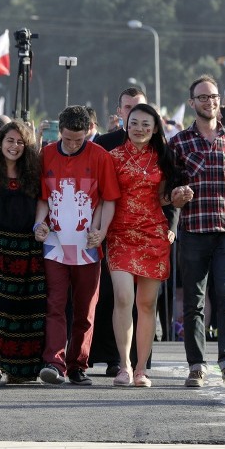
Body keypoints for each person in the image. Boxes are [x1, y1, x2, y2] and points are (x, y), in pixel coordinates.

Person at [170, 74, 225, 387]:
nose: (210, 101)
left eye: (214, 96)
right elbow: (170, 192)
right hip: (193, 229)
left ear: (220, 101)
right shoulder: (178, 143)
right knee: (194, 300)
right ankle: (196, 364)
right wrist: (179, 196)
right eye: (203, 97)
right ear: (192, 103)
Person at [34, 105, 120, 385]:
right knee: (55, 304)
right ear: (59, 132)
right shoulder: (46, 154)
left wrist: (101, 230)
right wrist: (39, 224)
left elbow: (109, 198)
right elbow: (43, 198)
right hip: (55, 244)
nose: (72, 145)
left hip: (87, 246)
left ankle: (77, 365)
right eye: (68, 139)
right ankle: (54, 362)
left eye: (79, 140)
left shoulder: (100, 156)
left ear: (88, 133)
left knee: (85, 309)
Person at [106, 104, 180, 388]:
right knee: (123, 297)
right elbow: (105, 198)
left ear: (155, 127)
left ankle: (141, 369)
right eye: (134, 123)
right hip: (120, 233)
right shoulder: (112, 157)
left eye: (145, 124)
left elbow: (163, 198)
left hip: (153, 233)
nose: (139, 129)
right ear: (126, 124)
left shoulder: (163, 158)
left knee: (146, 303)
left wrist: (177, 197)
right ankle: (123, 366)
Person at [0, 121, 45, 385]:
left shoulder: (35, 177)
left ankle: (20, 370)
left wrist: (41, 226)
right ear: (0, 143)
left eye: (20, 142)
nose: (14, 146)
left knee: (26, 311)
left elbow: (43, 207)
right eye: (10, 141)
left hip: (27, 250)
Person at [91, 87, 148, 376]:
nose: (133, 114)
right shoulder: (104, 143)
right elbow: (96, 190)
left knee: (143, 300)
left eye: (138, 108)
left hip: (149, 231)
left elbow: (168, 189)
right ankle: (115, 358)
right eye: (127, 108)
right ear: (120, 111)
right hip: (113, 231)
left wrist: (172, 228)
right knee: (115, 296)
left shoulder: (159, 144)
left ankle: (139, 362)